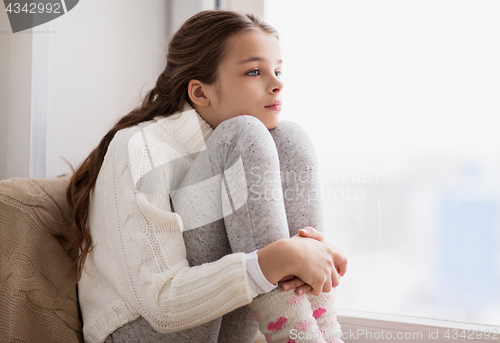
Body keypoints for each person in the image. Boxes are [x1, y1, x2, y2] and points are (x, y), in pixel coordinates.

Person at [67, 10, 347, 343]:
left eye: (278, 70)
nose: (277, 83)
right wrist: (271, 262)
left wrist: (312, 256)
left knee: (290, 137)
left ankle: (322, 332)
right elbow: (162, 306)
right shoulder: (141, 147)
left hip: (221, 326)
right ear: (200, 93)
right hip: (142, 330)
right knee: (244, 135)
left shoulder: (238, 149)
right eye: (254, 71)